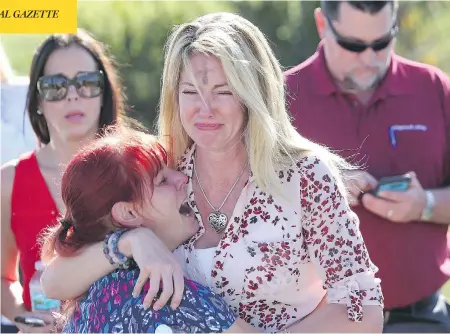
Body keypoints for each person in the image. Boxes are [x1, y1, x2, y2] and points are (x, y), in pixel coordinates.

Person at [41, 12, 384, 332]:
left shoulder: (306, 175)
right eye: (190, 92)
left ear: (255, 93)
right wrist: (131, 241)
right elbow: (55, 281)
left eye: (223, 92)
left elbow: (364, 310)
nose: (205, 109)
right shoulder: (165, 173)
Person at [284, 1, 450, 332]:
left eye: (382, 42)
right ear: (322, 24)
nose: (369, 58)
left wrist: (425, 205)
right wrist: (321, 191)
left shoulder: (433, 88)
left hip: (416, 318)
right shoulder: (281, 97)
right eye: (353, 45)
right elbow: (238, 209)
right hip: (316, 322)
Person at [39, 128, 254, 333]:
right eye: (161, 181)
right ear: (128, 214)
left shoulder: (92, 287)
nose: (182, 178)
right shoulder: (162, 292)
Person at [1, 29, 126, 333]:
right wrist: (22, 317)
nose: (73, 94)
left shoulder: (139, 169)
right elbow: (3, 278)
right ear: (38, 101)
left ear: (104, 93)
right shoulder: (8, 181)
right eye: (56, 85)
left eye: (87, 83)